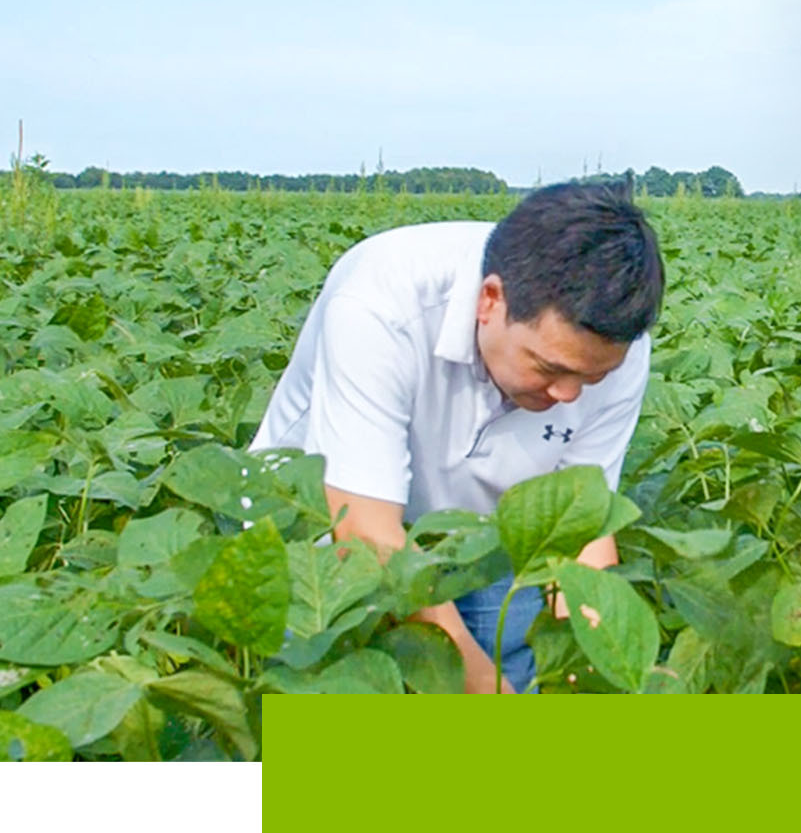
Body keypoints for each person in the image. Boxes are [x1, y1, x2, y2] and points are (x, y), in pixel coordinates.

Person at [250, 182, 664, 693]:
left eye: (592, 378)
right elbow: (364, 536)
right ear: (490, 299)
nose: (569, 394)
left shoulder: (614, 350)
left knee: (512, 668)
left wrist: (601, 668)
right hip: (320, 531)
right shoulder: (381, 302)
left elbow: (581, 528)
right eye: (549, 368)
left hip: (477, 534)